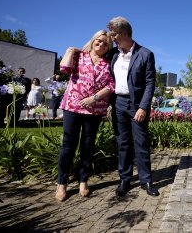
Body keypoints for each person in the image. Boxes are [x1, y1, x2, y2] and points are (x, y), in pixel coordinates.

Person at [55, 30, 115, 202]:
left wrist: (94, 98)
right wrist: (70, 50)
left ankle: (83, 181)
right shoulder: (80, 56)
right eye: (99, 41)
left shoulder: (107, 63)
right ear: (93, 40)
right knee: (68, 145)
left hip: (94, 110)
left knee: (87, 146)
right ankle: (62, 184)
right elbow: (64, 68)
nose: (101, 45)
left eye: (105, 43)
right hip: (73, 107)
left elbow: (111, 86)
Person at [107, 16, 159, 197]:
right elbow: (91, 52)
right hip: (118, 103)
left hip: (137, 104)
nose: (111, 37)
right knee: (123, 143)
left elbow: (150, 83)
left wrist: (143, 107)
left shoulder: (145, 54)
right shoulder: (113, 54)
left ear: (124, 33)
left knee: (141, 143)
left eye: (113, 34)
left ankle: (146, 181)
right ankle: (125, 179)